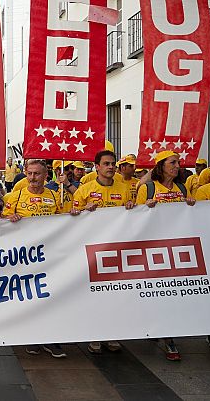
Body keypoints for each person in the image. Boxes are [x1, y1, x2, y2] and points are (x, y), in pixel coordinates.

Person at [70, 151, 134, 355]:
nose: (111, 167)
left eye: (113, 163)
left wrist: (132, 208)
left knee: (114, 294)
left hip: (116, 250)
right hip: (91, 249)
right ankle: (94, 335)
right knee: (94, 294)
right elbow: (72, 219)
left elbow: (133, 219)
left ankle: (111, 334)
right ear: (97, 166)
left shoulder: (125, 189)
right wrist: (82, 211)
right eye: (106, 163)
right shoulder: (85, 190)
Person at [1, 160, 65, 358]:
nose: (32, 177)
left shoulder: (54, 196)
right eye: (29, 173)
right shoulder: (15, 196)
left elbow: (65, 221)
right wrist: (10, 218)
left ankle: (50, 339)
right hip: (25, 258)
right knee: (29, 297)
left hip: (49, 256)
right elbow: (2, 222)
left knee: (50, 297)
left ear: (46, 176)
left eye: (37, 174)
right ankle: (31, 337)